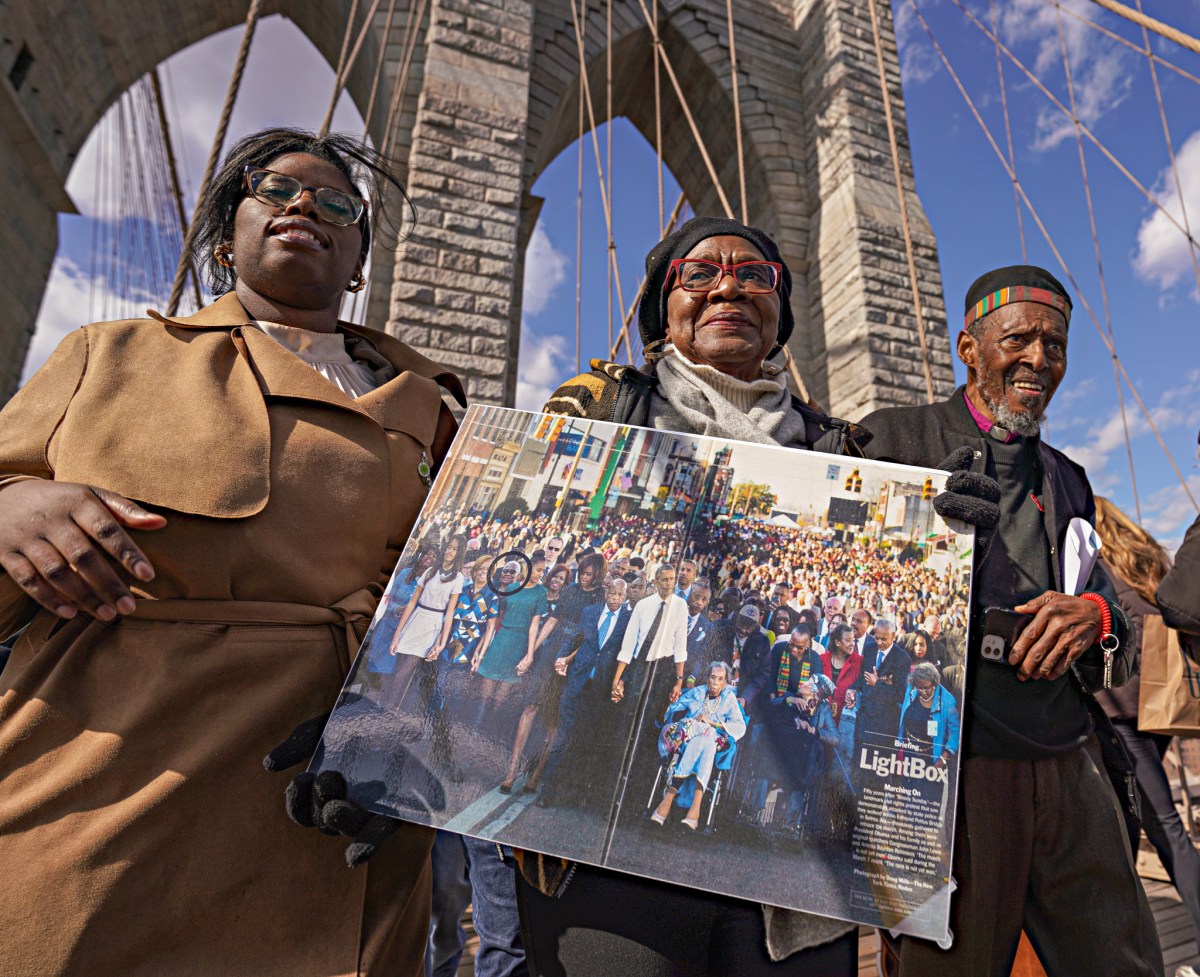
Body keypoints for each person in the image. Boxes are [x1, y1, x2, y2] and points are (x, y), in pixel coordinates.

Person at [0, 128, 464, 975]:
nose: (304, 208)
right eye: (275, 190)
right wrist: (10, 506)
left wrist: (420, 728)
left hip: (335, 814)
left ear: (359, 260)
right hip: (98, 783)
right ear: (225, 238)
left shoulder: (438, 415)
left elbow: (482, 611)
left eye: (336, 205)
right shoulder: (105, 356)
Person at [524, 216, 880, 976]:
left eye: (757, 276)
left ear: (781, 309)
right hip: (608, 846)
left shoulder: (846, 453)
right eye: (701, 273)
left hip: (795, 875)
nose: (729, 286)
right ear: (663, 303)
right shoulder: (596, 409)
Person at [860, 264, 1158, 975]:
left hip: (1067, 757)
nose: (1039, 360)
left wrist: (1093, 614)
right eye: (1018, 339)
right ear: (968, 347)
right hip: (954, 769)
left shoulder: (1067, 475)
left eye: (1055, 345)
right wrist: (909, 539)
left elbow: (1112, 606)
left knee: (1123, 959)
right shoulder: (891, 439)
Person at [1092, 496, 1200, 977]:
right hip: (1159, 706)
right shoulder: (1146, 561)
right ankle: (1127, 947)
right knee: (1129, 827)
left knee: (1165, 829)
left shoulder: (1098, 568)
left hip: (1122, 709)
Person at [650, 661, 746, 829]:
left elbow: (740, 726)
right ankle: (695, 810)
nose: (715, 683)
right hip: (687, 740)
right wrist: (671, 702)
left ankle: (668, 799)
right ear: (707, 678)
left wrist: (713, 724)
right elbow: (673, 707)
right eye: (713, 678)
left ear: (725, 682)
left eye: (720, 679)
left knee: (707, 741)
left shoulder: (729, 699)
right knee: (704, 741)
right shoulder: (697, 692)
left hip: (711, 741)